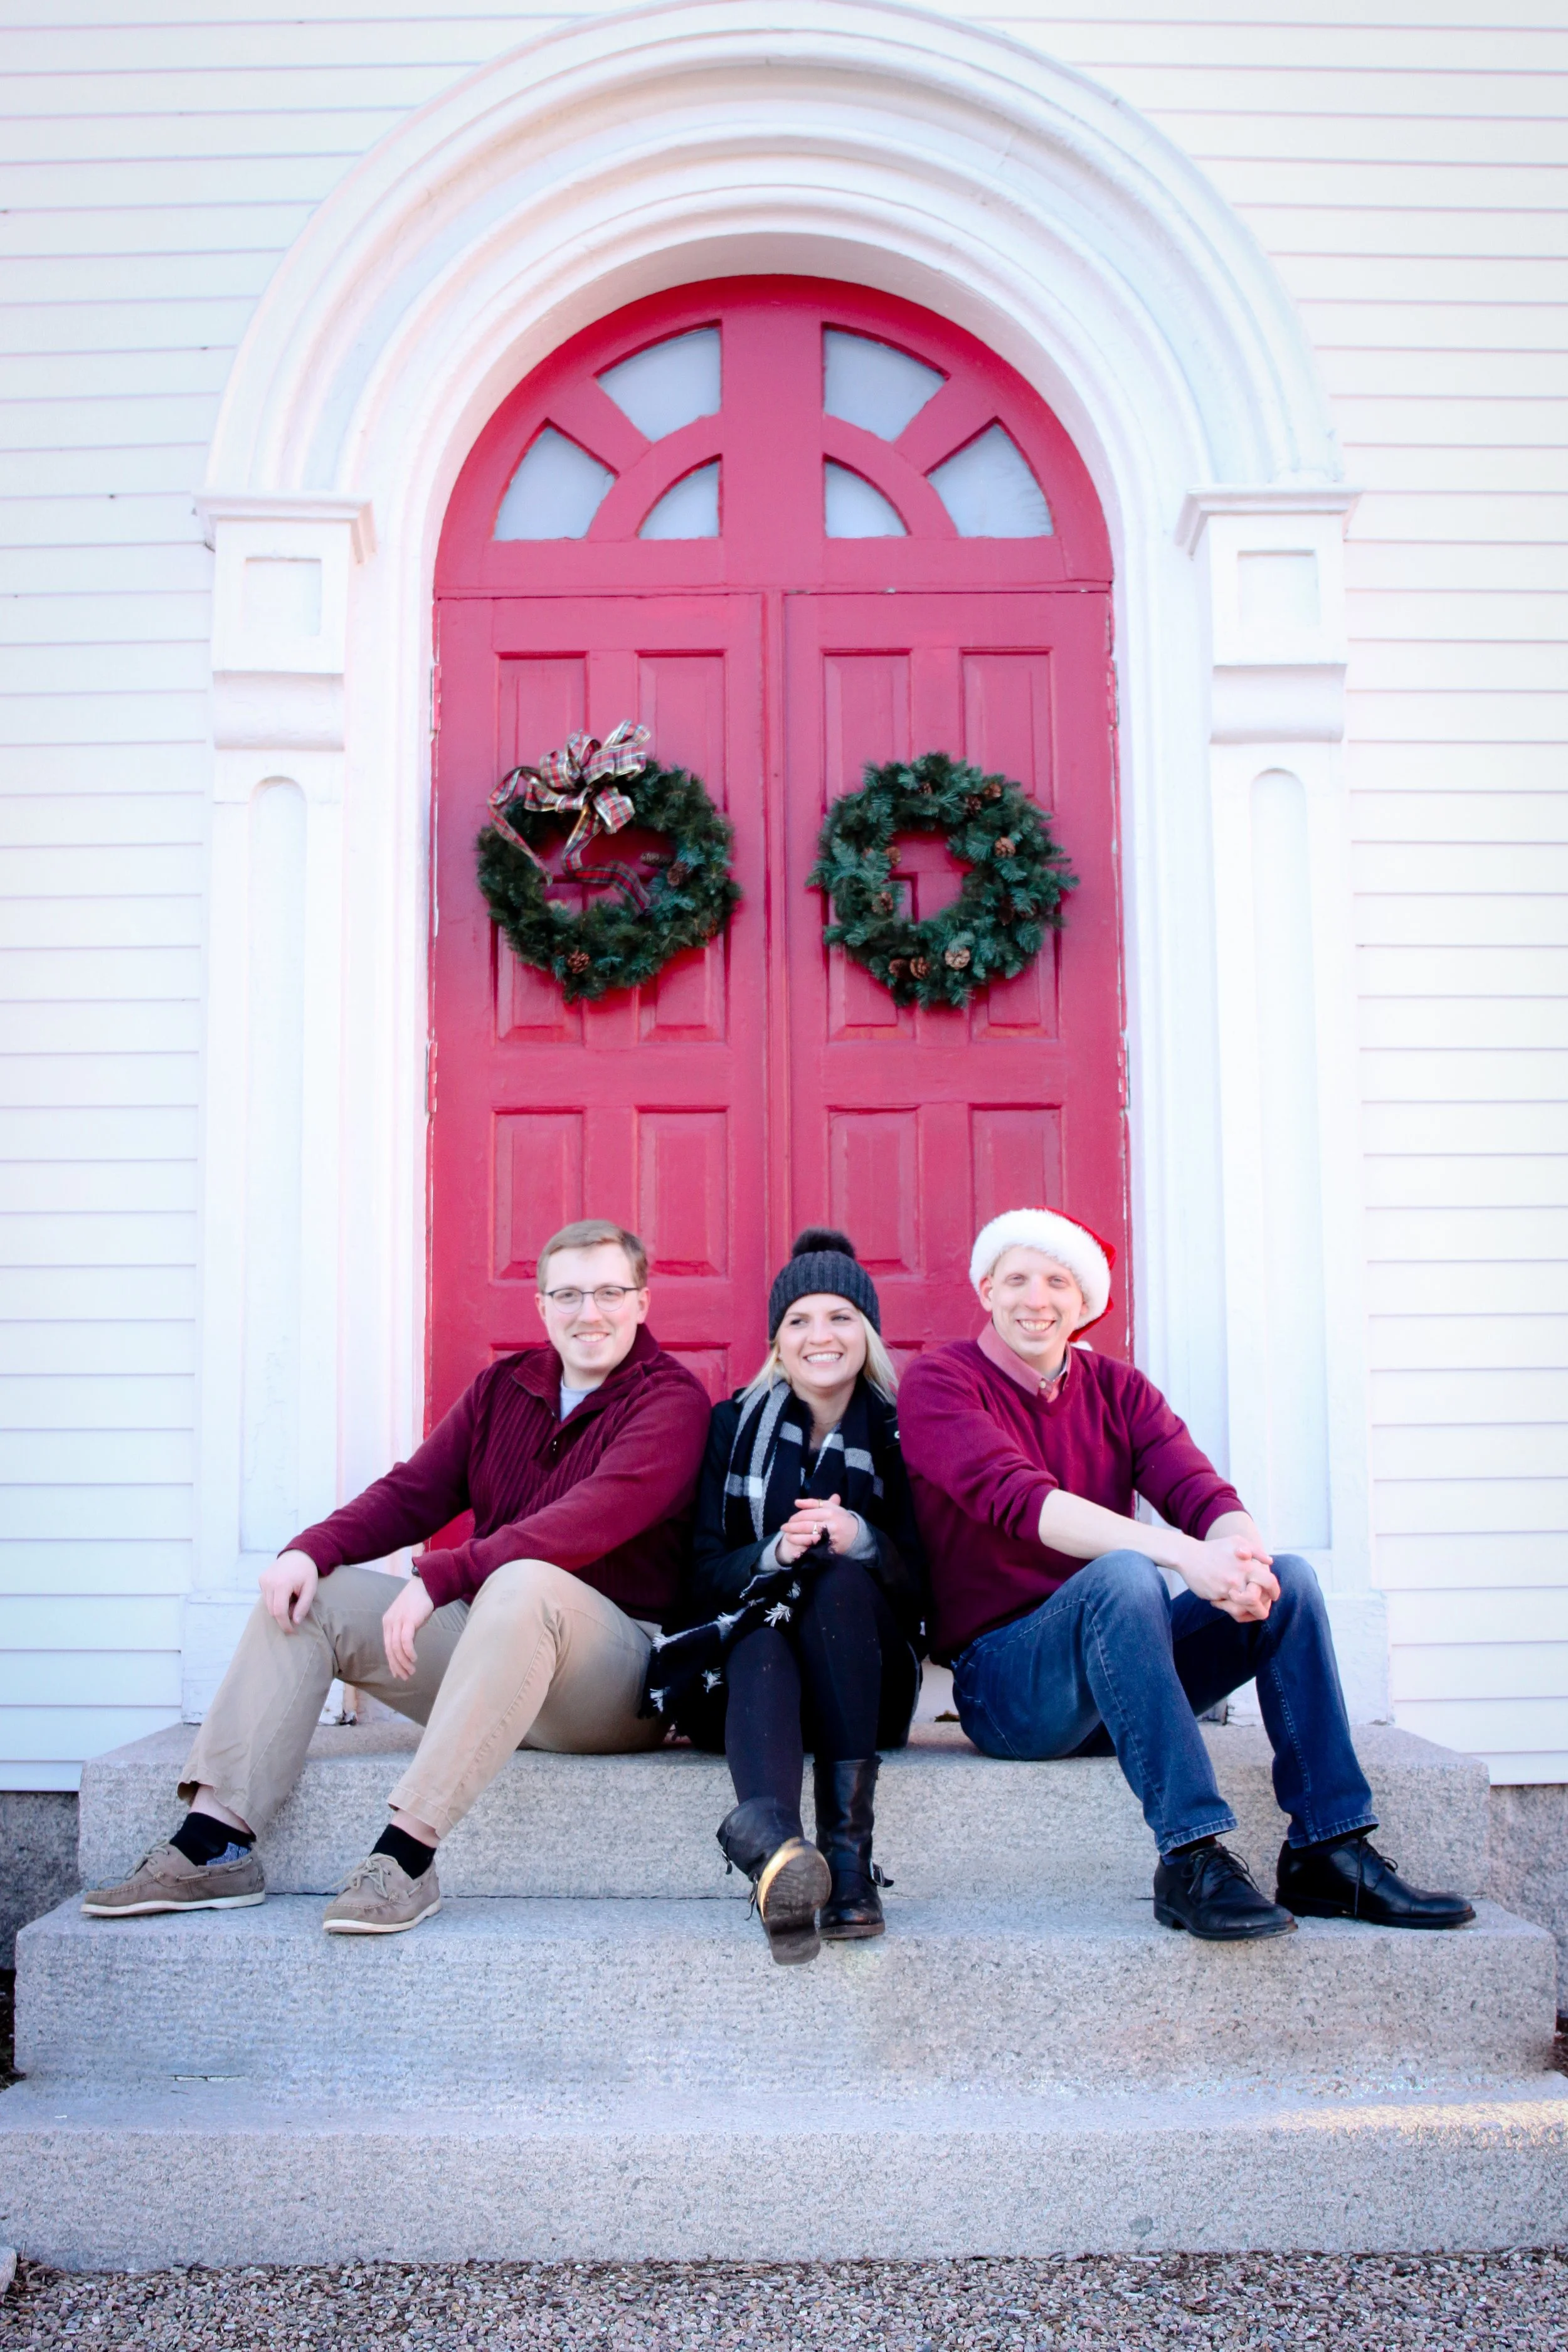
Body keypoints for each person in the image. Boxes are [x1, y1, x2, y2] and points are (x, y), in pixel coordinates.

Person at [82, 1221, 711, 1936]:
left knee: (524, 1581)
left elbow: (586, 1520)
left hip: (614, 1680)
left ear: (641, 1302)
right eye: (568, 1294)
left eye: (608, 1293)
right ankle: (213, 1844)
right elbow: (414, 1492)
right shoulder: (504, 1387)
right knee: (315, 1598)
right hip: (492, 1652)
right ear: (541, 1306)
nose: (588, 1313)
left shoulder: (671, 1403)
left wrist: (445, 1575)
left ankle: (404, 1859)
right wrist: (311, 1550)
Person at [899, 1207, 1475, 1942]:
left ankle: (1327, 1850)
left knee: (1289, 1582)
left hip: (1122, 1677)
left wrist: (1241, 1564)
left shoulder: (1120, 1391)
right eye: (1015, 1280)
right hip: (1010, 1689)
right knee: (1125, 1575)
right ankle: (1191, 1857)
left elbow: (1203, 1496)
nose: (1034, 1299)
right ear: (986, 1290)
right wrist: (1182, 1555)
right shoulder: (941, 1382)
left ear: (1084, 1302)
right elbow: (1023, 1502)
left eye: (1056, 1282)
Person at [664, 1230, 926, 1965]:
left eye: (841, 1317)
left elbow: (923, 1586)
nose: (821, 1336)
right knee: (760, 1632)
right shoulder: (729, 1427)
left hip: (864, 1680)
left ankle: (847, 1864)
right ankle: (780, 1860)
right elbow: (699, 1578)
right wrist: (773, 1553)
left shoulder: (902, 1430)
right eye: (799, 1320)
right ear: (776, 1342)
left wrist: (861, 1539)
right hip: (754, 1685)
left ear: (867, 1333)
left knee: (836, 1578)